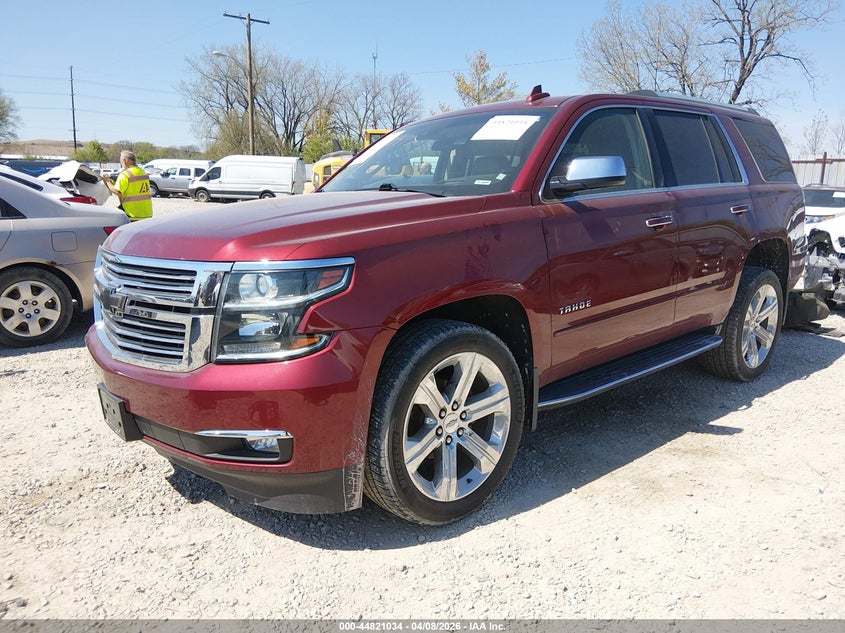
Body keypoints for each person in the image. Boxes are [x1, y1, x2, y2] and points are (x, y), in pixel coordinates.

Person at [102, 150, 153, 221]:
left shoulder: (125, 175)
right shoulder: (142, 172)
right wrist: (114, 183)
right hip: (147, 213)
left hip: (133, 214)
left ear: (125, 160)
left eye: (121, 161)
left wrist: (107, 181)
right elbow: (132, 188)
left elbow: (117, 192)